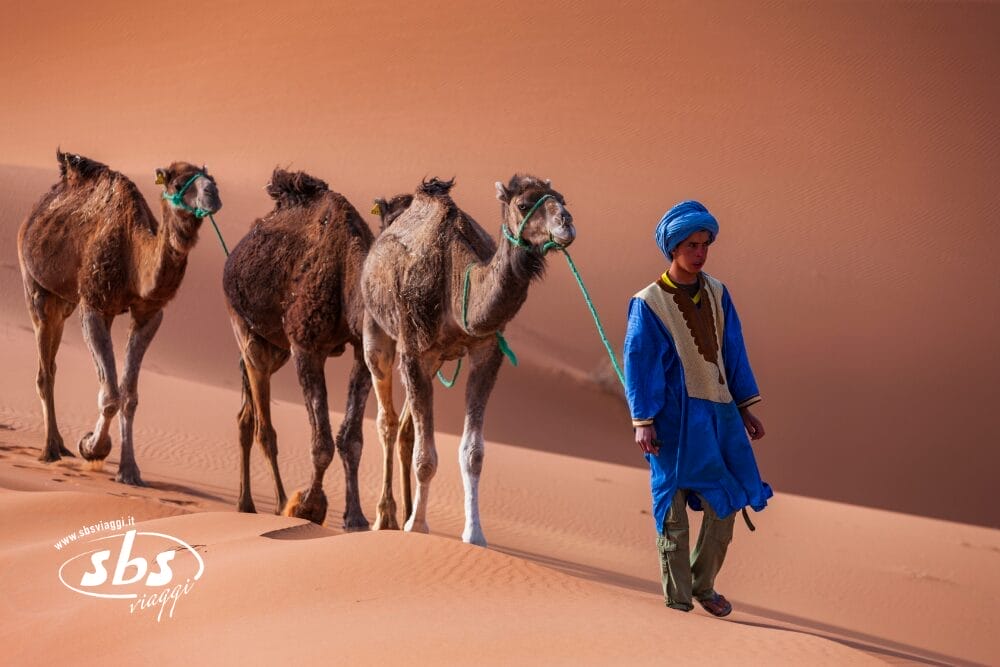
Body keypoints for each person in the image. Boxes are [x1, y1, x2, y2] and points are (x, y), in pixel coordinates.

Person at [623, 200, 772, 617]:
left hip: (720, 419)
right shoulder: (648, 303)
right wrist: (643, 420)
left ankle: (703, 584)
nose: (700, 252)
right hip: (672, 421)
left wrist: (745, 408)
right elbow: (639, 362)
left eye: (705, 244)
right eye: (692, 244)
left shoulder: (719, 292)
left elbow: (735, 353)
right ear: (673, 248)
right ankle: (679, 601)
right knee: (672, 509)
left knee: (725, 503)